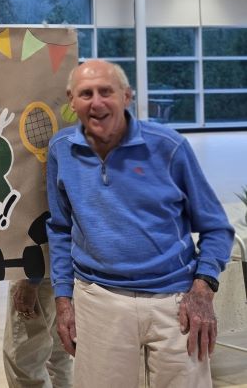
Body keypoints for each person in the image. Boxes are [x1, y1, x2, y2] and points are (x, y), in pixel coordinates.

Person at [47, 59, 234, 388]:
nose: (97, 102)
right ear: (72, 101)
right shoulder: (62, 151)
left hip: (175, 301)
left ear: (127, 96)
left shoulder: (168, 147)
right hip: (99, 298)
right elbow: (60, 229)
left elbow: (216, 226)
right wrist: (63, 300)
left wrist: (203, 290)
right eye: (86, 93)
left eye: (106, 91)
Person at [3, 277, 73, 387]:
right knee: (59, 357)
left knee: (25, 363)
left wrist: (31, 280)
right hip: (60, 276)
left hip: (37, 276)